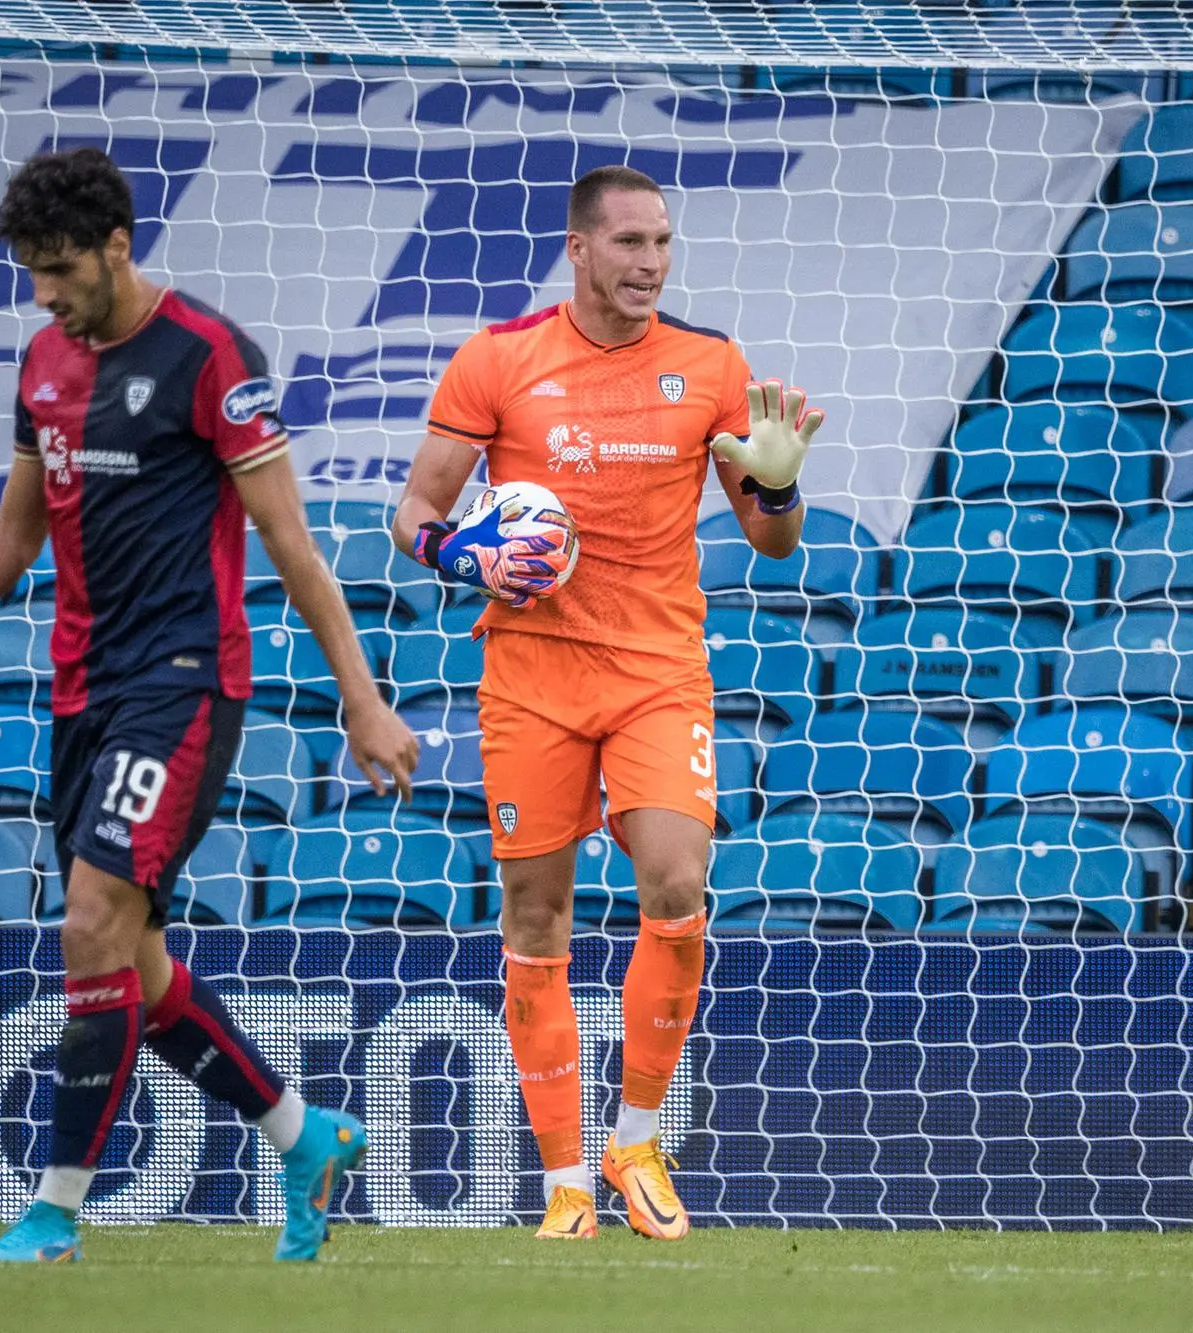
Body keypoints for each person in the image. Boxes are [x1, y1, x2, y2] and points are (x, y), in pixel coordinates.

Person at [0, 147, 419, 1262]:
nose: (43, 293)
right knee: (135, 966)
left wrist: (362, 699)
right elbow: (12, 539)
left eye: (59, 268)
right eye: (31, 272)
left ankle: (55, 1212)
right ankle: (304, 1137)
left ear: (116, 246)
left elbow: (292, 544)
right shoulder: (45, 361)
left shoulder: (208, 354)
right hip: (81, 692)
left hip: (183, 684)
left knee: (91, 921)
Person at [392, 164, 821, 1240]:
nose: (651, 263)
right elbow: (414, 512)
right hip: (530, 676)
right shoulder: (499, 359)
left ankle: (635, 1140)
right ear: (578, 248)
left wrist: (777, 483)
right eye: (630, 242)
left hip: (658, 671)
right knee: (536, 917)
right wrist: (462, 555)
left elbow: (772, 540)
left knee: (676, 882)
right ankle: (565, 1184)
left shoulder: (710, 364)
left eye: (663, 242)